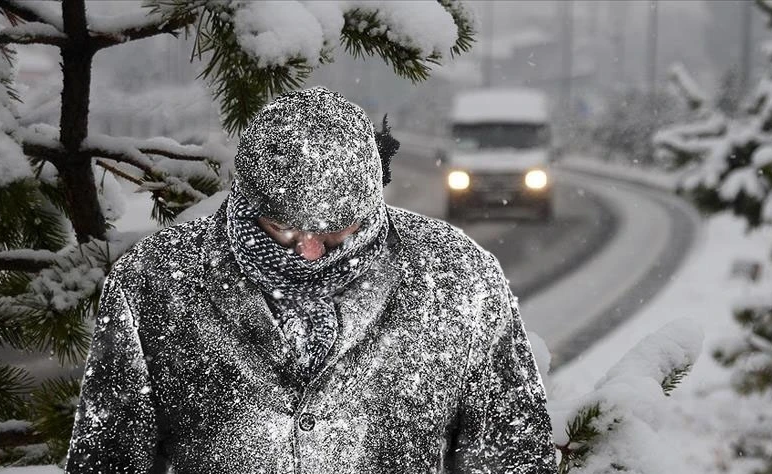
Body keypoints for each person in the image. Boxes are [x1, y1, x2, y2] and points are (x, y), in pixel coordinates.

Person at [65, 86, 557, 473]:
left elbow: (512, 458)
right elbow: (109, 458)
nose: (310, 251)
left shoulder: (458, 278)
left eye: (336, 231)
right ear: (247, 202)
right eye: (283, 229)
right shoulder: (155, 280)